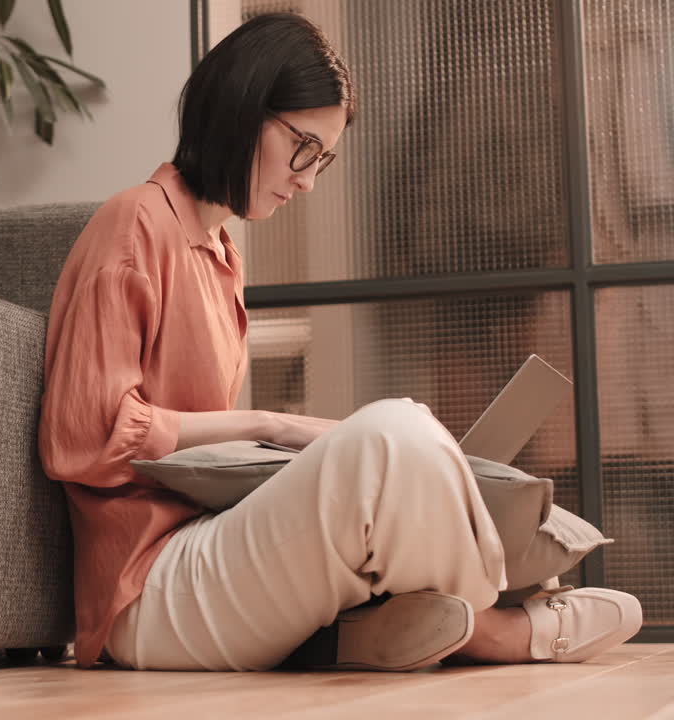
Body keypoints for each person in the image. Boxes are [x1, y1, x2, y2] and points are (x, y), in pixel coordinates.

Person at [37, 12, 642, 672]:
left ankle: (395, 621)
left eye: (322, 160)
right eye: (303, 149)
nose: (308, 180)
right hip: (144, 589)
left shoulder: (221, 255)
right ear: (244, 109)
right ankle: (492, 629)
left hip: (213, 549)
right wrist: (274, 425)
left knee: (410, 442)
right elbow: (83, 438)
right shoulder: (135, 225)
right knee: (394, 431)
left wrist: (292, 453)